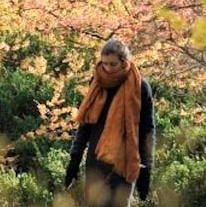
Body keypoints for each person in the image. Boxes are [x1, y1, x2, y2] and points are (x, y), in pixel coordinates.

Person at [64, 38, 156, 206]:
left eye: (113, 64)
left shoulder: (140, 87)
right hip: (96, 159)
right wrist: (75, 158)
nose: (108, 68)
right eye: (105, 63)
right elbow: (86, 123)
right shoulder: (97, 82)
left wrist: (146, 169)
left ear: (124, 62)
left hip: (125, 160)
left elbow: (147, 129)